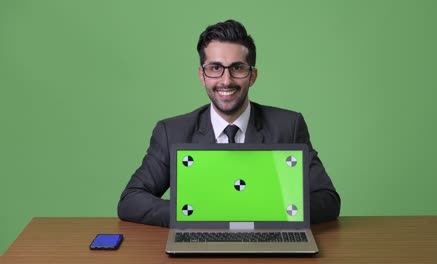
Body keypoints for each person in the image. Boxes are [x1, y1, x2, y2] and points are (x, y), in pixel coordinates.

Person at [118, 19, 340, 227]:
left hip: (267, 245)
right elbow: (131, 200)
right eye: (215, 68)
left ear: (252, 76)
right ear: (202, 76)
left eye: (237, 68)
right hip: (198, 245)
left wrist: (259, 212)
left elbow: (328, 200)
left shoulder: (288, 126)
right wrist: (197, 213)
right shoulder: (172, 132)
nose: (226, 80)